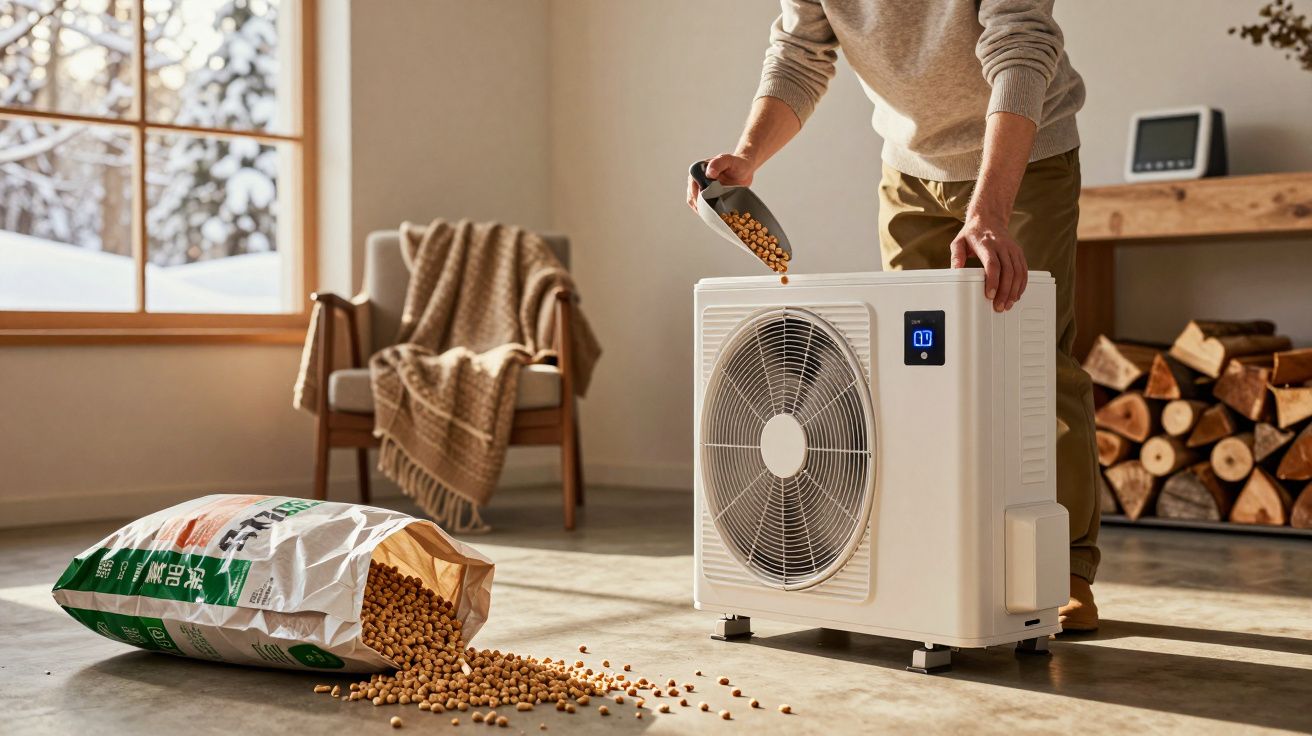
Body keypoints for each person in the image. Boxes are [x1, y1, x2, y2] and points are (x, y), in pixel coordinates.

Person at [687, 0, 1100, 631]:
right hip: (908, 170)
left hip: (1023, 160)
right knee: (910, 374)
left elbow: (1020, 45)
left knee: (1035, 364)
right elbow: (800, 52)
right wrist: (747, 157)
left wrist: (988, 211)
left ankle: (1064, 568)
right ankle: (932, 554)